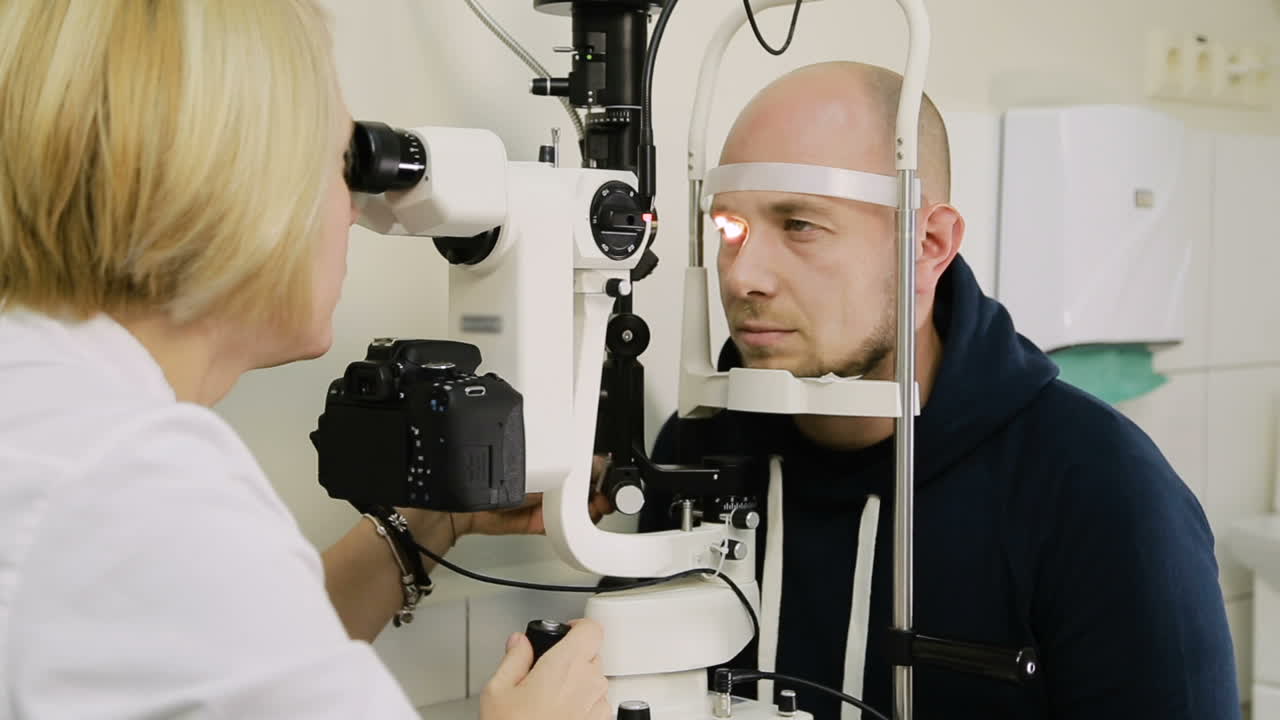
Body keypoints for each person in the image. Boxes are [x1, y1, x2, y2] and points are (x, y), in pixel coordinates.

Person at [0, 2, 607, 719]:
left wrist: (427, 524)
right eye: (340, 162)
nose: (354, 210)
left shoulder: (57, 417)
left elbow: (231, 657)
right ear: (236, 181)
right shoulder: (136, 485)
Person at [631, 61, 1241, 719]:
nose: (744, 275)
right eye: (730, 230)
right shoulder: (699, 448)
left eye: (799, 225)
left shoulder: (1101, 489)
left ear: (928, 245)